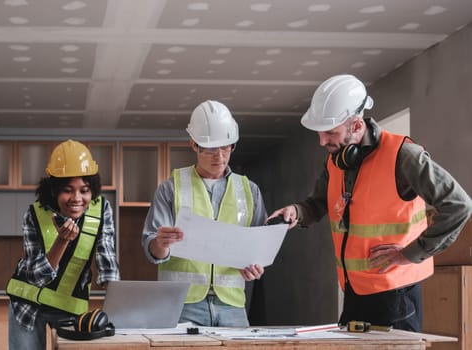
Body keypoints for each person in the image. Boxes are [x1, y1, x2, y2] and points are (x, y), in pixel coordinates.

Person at [269, 74, 472, 332]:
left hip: (395, 297)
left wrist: (410, 253)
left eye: (330, 132)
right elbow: (318, 203)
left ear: (355, 126)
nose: (322, 142)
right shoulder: (336, 161)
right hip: (354, 293)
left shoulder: (403, 155)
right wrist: (297, 212)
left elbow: (459, 205)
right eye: (320, 134)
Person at [142, 100, 268, 327]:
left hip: (232, 307)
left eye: (226, 147)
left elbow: (259, 247)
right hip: (181, 305)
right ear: (194, 144)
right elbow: (153, 250)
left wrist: (255, 266)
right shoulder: (171, 188)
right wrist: (161, 243)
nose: (219, 156)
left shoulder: (250, 191)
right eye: (211, 148)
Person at [6, 140, 120, 349]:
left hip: (70, 305)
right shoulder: (34, 214)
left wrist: (118, 308)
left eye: (84, 190)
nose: (77, 198)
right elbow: (36, 276)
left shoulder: (101, 209)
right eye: (68, 190)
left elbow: (108, 262)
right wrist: (62, 241)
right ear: (54, 190)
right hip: (28, 304)